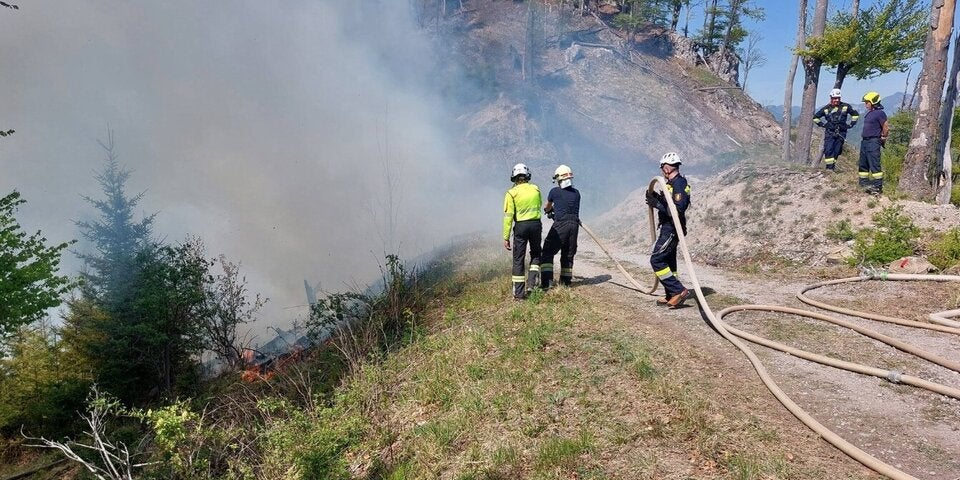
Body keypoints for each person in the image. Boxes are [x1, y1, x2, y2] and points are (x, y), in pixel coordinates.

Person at [645, 152, 691, 309]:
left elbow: (676, 210)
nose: (662, 171)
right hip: (667, 226)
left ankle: (678, 290)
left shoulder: (679, 183)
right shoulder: (670, 184)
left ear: (666, 167)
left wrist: (657, 204)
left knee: (656, 259)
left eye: (663, 167)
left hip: (672, 228)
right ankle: (671, 294)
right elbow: (668, 204)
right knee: (669, 262)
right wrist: (656, 199)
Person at [503, 163, 542, 300]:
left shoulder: (511, 193)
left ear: (514, 178)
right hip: (536, 225)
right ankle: (532, 284)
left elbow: (508, 217)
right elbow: (540, 206)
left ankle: (519, 294)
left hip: (520, 226)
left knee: (518, 259)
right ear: (527, 176)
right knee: (536, 254)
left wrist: (506, 237)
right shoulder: (536, 189)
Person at [540, 165, 581, 289]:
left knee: (547, 251)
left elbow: (547, 207)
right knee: (568, 254)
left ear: (559, 179)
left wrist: (549, 211)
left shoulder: (554, 191)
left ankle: (547, 283)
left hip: (560, 225)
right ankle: (565, 283)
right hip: (574, 226)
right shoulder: (577, 193)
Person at [812, 88, 859, 171]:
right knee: (829, 149)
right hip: (830, 133)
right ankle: (829, 169)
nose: (836, 100)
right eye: (835, 98)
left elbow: (855, 115)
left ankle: (832, 167)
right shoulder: (826, 109)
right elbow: (815, 117)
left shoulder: (845, 106)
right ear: (831, 98)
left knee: (837, 151)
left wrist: (851, 124)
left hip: (841, 132)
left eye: (838, 98)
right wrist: (823, 125)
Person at [859, 92, 889, 195]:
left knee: (874, 164)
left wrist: (884, 137)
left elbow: (885, 126)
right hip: (865, 141)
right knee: (863, 164)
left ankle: (877, 187)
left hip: (873, 141)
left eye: (867, 102)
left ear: (873, 102)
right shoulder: (869, 113)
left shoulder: (880, 113)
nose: (865, 104)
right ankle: (863, 184)